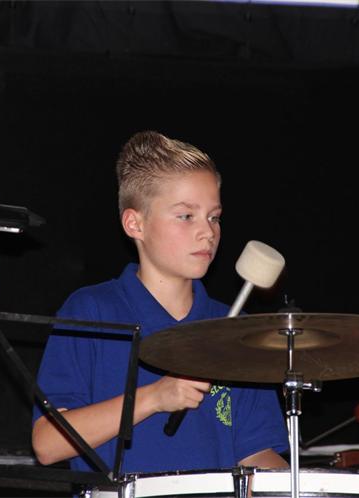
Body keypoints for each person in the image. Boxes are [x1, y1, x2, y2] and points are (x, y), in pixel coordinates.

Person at [32, 131, 289, 474]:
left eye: (214, 217)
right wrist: (154, 397)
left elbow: (256, 454)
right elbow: (47, 444)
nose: (208, 232)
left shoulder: (233, 326)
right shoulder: (91, 311)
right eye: (186, 216)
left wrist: (307, 487)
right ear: (135, 224)